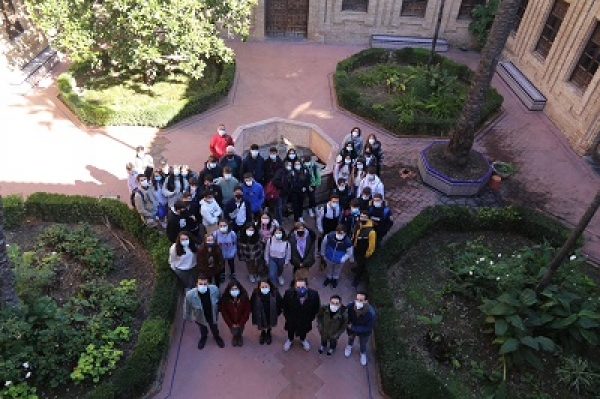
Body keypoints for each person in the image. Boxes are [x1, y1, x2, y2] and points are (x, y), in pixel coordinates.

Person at [184, 274, 225, 349]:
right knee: (202, 328)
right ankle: (203, 338)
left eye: (205, 284)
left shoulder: (215, 289)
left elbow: (219, 299)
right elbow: (187, 306)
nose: (202, 286)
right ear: (197, 284)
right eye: (200, 284)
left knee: (214, 328)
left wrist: (220, 310)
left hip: (212, 315)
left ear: (208, 284)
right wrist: (187, 316)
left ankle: (216, 337)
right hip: (199, 316)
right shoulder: (190, 295)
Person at [282, 278, 320, 352]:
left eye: (302, 287)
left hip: (305, 319)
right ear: (295, 287)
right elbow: (285, 306)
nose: (300, 289)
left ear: (307, 286)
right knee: (291, 330)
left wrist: (310, 318)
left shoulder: (314, 295)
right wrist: (288, 317)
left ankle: (303, 339)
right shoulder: (289, 294)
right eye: (298, 287)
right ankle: (290, 339)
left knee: (304, 330)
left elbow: (316, 308)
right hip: (292, 319)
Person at [344, 291, 376, 366]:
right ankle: (349, 346)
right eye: (357, 299)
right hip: (352, 328)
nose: (358, 302)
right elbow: (345, 315)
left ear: (366, 301)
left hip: (363, 332)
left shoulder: (371, 313)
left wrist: (354, 327)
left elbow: (368, 327)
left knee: (363, 343)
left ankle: (363, 353)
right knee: (351, 338)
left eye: (361, 300)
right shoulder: (350, 306)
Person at [219, 279, 251, 347]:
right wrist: (230, 323)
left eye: (236, 289)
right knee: (233, 331)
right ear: (229, 290)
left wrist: (241, 322)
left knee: (240, 330)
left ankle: (239, 337)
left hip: (241, 320)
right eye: (232, 289)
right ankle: (235, 337)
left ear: (239, 289)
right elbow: (224, 313)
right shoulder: (225, 299)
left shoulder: (244, 297)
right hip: (231, 321)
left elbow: (247, 310)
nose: (234, 291)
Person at [250, 279, 283, 345]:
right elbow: (251, 303)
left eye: (266, 286)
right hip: (260, 313)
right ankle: (262, 333)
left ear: (270, 286)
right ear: (259, 287)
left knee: (269, 323)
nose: (264, 288)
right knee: (261, 323)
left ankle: (268, 333)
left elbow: (280, 303)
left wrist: (277, 313)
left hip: (270, 313)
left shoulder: (275, 293)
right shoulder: (255, 293)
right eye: (262, 287)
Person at [351, 211, 377, 288]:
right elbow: (354, 233)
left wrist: (367, 254)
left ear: (368, 218)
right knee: (357, 261)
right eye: (361, 216)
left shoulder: (371, 232)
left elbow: (371, 245)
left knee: (361, 266)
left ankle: (356, 279)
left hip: (363, 252)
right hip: (356, 248)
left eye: (364, 217)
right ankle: (356, 269)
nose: (362, 218)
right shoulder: (358, 224)